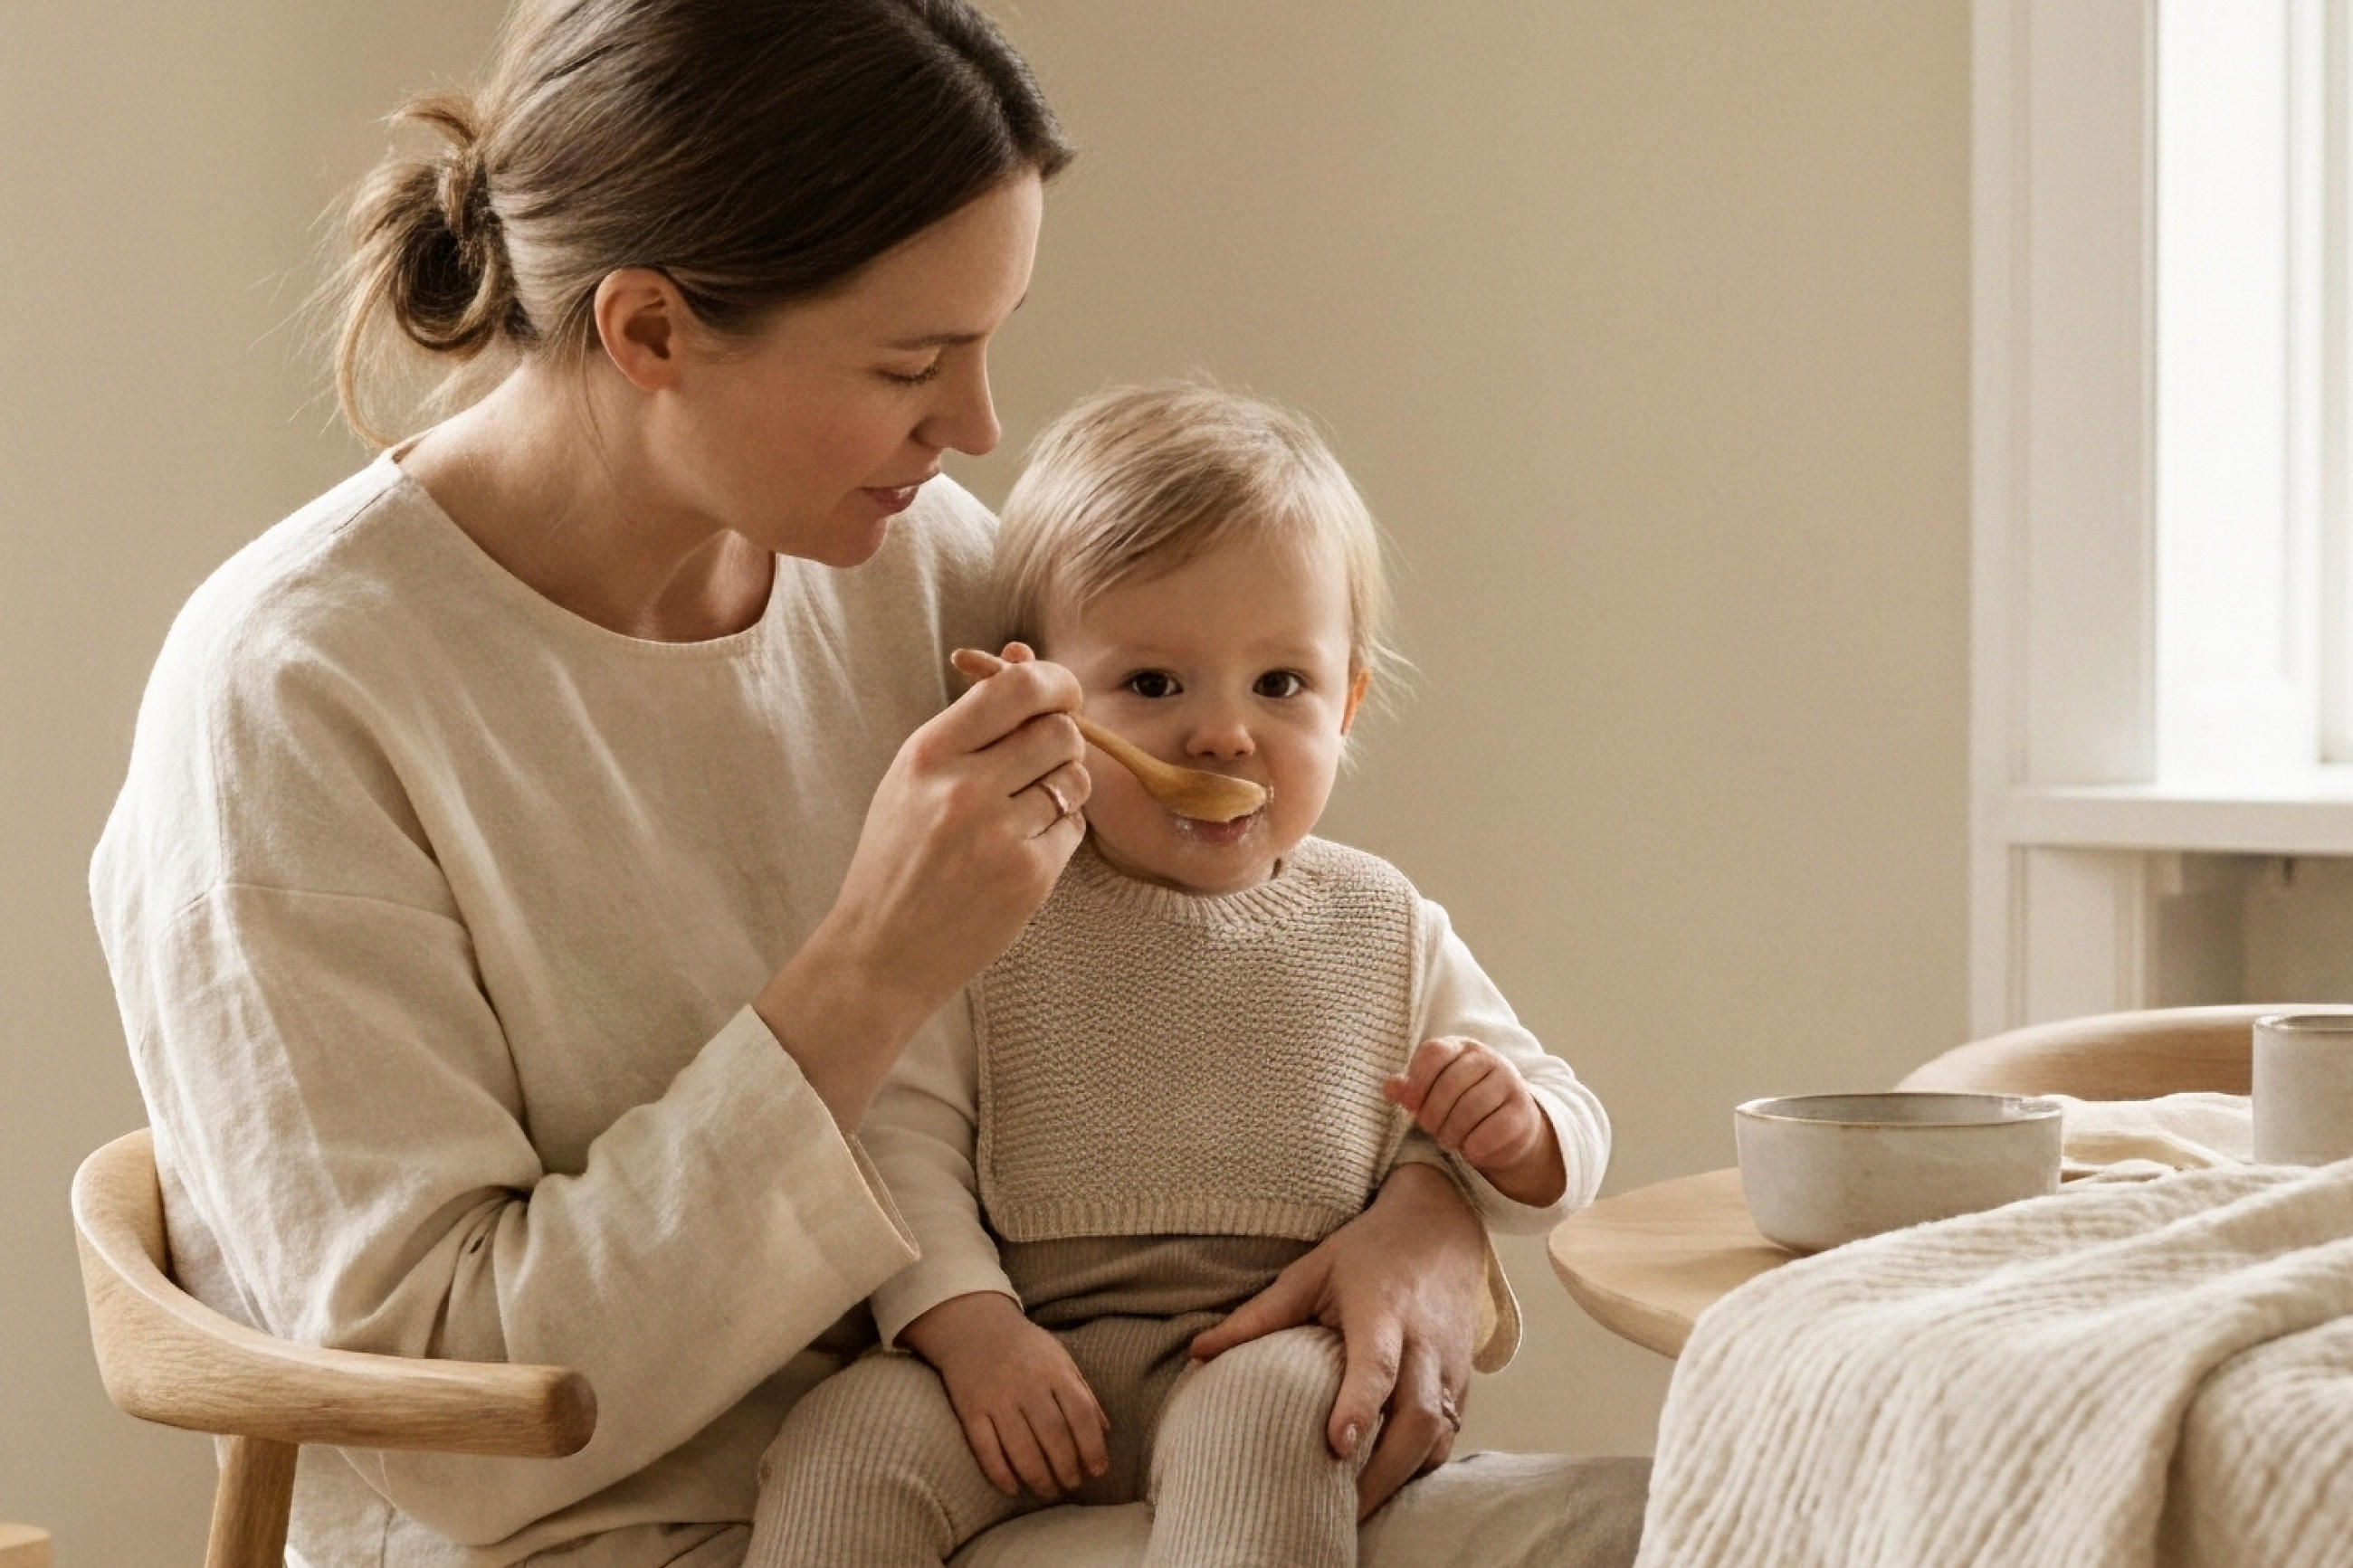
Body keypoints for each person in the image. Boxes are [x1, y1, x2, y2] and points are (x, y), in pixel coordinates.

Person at [85, 4, 1648, 1565]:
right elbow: (460, 1414)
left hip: (1058, 1465)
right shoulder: (293, 698)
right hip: (630, 1529)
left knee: (1716, 1511)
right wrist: (869, 968)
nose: (974, 427)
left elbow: (1251, 972)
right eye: (914, 361)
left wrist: (1432, 1222)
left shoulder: (919, 569)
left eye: (989, 342)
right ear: (650, 334)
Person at [748, 383, 1615, 1568]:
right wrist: (969, 1328)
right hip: (1035, 1351)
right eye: (1154, 685)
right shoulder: (1000, 907)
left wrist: (1516, 1135)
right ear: (1048, 697)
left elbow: (1567, 1120)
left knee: (1275, 1422)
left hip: (1267, 1342)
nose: (1222, 734)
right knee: (846, 1435)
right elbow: (902, 1139)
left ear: (1348, 700)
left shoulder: (1382, 923)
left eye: (1281, 685)